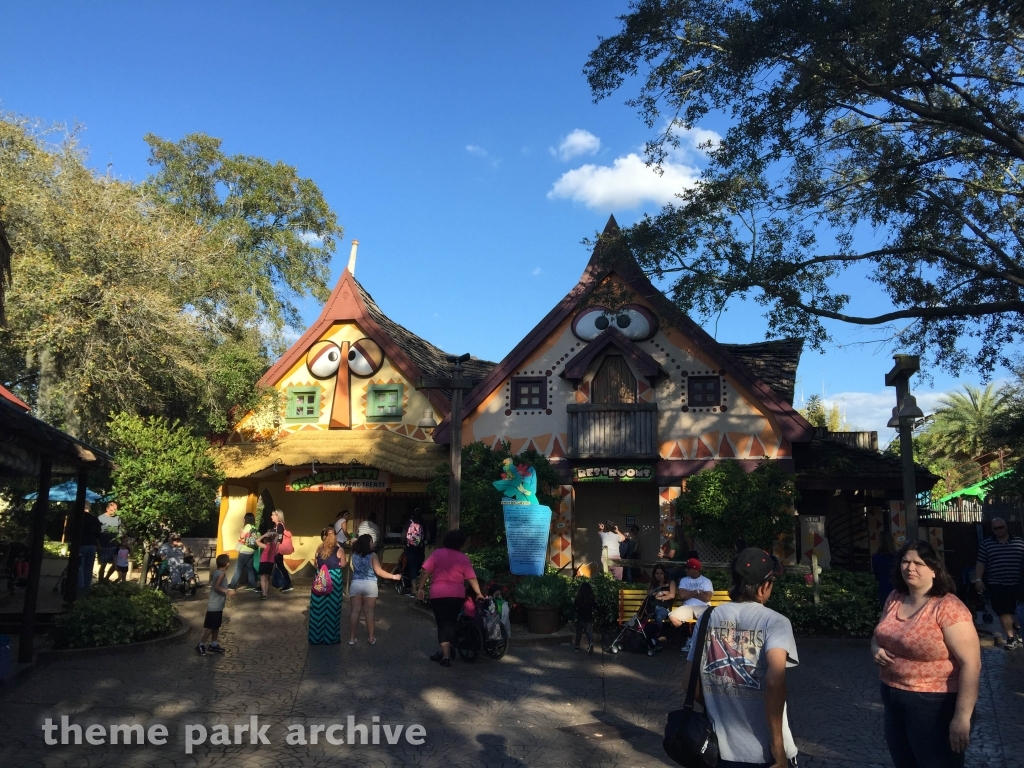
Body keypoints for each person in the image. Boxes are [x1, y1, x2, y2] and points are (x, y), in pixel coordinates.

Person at [685, 547, 798, 768]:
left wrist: (722, 705)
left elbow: (688, 683)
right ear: (765, 586)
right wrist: (778, 747)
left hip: (719, 752)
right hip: (764, 754)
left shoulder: (707, 618)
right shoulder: (775, 622)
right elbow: (774, 682)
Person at [873, 539, 981, 767]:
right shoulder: (895, 598)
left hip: (933, 705)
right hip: (893, 698)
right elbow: (879, 634)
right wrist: (876, 648)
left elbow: (971, 664)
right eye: (905, 561)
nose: (910, 568)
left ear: (934, 570)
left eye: (918, 563)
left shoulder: (948, 607)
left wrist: (962, 717)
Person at [416, 529, 482, 668]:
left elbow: (426, 571)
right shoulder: (463, 558)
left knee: (442, 624)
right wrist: (479, 593)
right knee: (451, 622)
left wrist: (420, 588)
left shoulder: (437, 554)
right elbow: (471, 577)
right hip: (457, 594)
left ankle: (446, 657)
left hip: (438, 594)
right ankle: (447, 650)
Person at [973, 517, 1024, 649]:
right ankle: (1010, 638)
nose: (999, 530)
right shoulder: (987, 544)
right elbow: (981, 563)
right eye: (995, 528)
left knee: (1016, 612)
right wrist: (978, 580)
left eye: (1001, 527)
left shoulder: (1019, 542)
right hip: (997, 583)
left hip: (1018, 584)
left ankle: (1017, 629)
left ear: (1006, 527)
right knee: (1002, 611)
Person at [348, 533, 402, 645]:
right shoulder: (373, 555)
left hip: (356, 584)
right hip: (370, 585)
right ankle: (371, 638)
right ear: (368, 543)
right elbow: (379, 572)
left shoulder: (354, 554)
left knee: (355, 611)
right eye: (371, 541)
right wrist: (394, 576)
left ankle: (352, 639)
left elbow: (353, 541)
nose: (373, 543)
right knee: (369, 612)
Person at [309, 528, 347, 644]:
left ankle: (316, 638)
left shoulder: (319, 548)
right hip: (334, 578)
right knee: (333, 608)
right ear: (335, 536)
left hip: (320, 577)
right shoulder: (339, 549)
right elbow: (344, 564)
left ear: (324, 536)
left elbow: (316, 564)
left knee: (318, 609)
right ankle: (331, 638)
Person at [668, 557, 714, 653]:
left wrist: (690, 593)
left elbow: (707, 598)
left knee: (708, 619)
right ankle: (690, 639)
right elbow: (682, 595)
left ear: (695, 569)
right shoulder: (684, 580)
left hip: (702, 607)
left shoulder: (706, 581)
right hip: (687, 607)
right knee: (673, 617)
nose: (686, 570)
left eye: (689, 568)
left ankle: (700, 642)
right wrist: (697, 592)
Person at [196, 554, 236, 656]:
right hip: (214, 605)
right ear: (227, 564)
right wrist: (227, 591)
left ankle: (214, 643)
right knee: (210, 626)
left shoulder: (217, 572)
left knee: (216, 625)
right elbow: (216, 587)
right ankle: (201, 644)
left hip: (218, 605)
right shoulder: (221, 574)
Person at [226, 512, 259, 592]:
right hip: (251, 550)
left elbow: (242, 536)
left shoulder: (247, 526)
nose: (243, 519)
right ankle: (252, 584)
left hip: (245, 550)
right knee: (250, 568)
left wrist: (241, 531)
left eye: (244, 518)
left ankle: (232, 585)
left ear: (246, 519)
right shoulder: (253, 527)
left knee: (238, 568)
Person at [78, 503, 102, 591]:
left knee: (80, 567)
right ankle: (86, 588)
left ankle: (80, 587)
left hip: (81, 545)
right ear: (89, 509)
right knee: (88, 568)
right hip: (92, 546)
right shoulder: (94, 519)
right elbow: (98, 533)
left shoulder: (79, 518)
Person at [402, 511, 426, 594]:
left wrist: (405, 543)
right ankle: (420, 588)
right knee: (419, 568)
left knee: (412, 569)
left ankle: (414, 590)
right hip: (420, 550)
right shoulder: (423, 524)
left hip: (410, 550)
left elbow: (402, 536)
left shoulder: (408, 523)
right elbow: (429, 537)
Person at [871, 532, 897, 608]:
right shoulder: (897, 557)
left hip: (883, 587)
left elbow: (876, 575)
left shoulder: (876, 557)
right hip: (897, 586)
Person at [271, 509, 293, 593]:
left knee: (280, 566)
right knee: (280, 566)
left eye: (273, 515)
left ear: (278, 516)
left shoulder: (280, 525)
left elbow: (279, 539)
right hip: (276, 549)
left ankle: (287, 584)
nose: (271, 516)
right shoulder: (276, 526)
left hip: (278, 550)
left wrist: (275, 550)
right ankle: (287, 583)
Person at [648, 563, 677, 627]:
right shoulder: (653, 583)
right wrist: (662, 593)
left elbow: (672, 595)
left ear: (664, 574)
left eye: (661, 574)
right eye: (657, 574)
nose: (659, 576)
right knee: (642, 617)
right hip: (652, 607)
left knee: (658, 617)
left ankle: (658, 634)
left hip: (664, 608)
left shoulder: (671, 582)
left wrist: (659, 597)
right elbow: (650, 594)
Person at [573, 581, 596, 654]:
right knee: (589, 633)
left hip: (580, 618)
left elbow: (573, 608)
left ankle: (577, 646)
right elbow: (596, 606)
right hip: (588, 619)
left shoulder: (578, 599)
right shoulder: (591, 599)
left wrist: (570, 617)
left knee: (578, 633)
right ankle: (591, 643)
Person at [257, 527, 278, 600]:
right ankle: (266, 592)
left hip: (263, 562)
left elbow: (257, 541)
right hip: (270, 563)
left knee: (262, 579)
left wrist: (264, 535)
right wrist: (272, 533)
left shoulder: (265, 546)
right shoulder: (274, 545)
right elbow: (277, 535)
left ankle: (264, 593)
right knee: (267, 579)